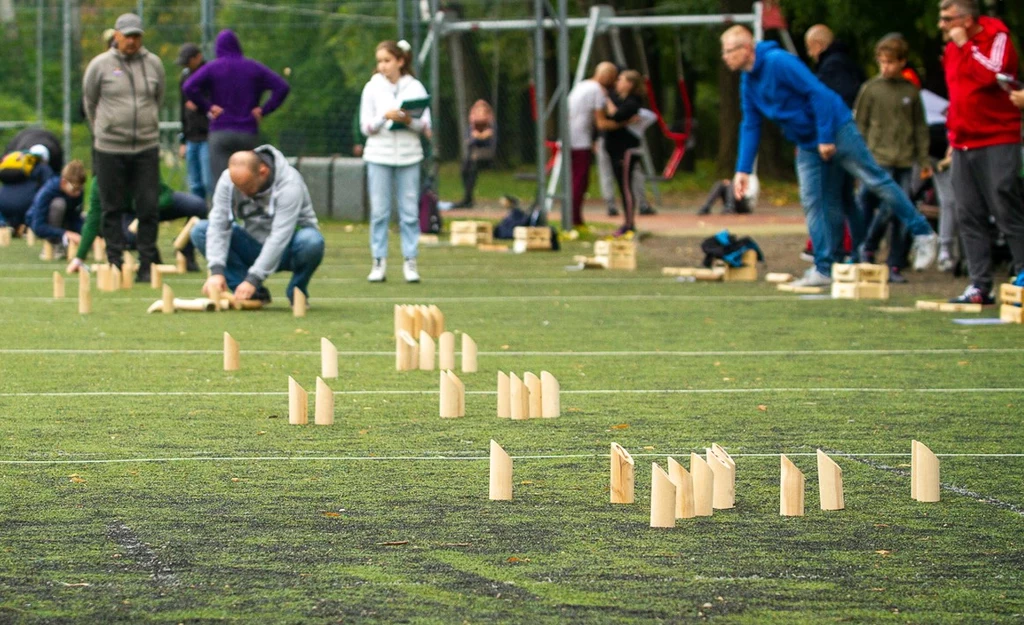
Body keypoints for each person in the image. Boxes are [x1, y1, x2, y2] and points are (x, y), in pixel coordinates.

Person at [720, 25, 938, 288]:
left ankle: (923, 232)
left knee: (875, 180)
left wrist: (825, 136)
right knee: (816, 201)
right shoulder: (748, 81)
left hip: (835, 128)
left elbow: (818, 93)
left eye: (728, 51)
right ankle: (824, 268)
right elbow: (750, 123)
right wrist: (743, 170)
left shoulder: (779, 62)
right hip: (807, 143)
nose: (725, 57)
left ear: (746, 48)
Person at [939, 0, 1024, 304]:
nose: (942, 25)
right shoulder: (950, 49)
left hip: (998, 136)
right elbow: (958, 93)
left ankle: (1022, 274)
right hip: (963, 141)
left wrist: (967, 47)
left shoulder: (997, 38)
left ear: (966, 20)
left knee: (1005, 203)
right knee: (968, 213)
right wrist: (952, 134)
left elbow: (993, 74)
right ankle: (979, 285)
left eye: (947, 19)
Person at [83, 13, 165, 283]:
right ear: (116, 35)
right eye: (127, 35)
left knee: (148, 207)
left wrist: (146, 124)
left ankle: (146, 263)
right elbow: (90, 102)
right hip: (110, 148)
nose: (132, 41)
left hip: (146, 146)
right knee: (111, 207)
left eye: (136, 36)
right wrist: (103, 130)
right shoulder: (100, 65)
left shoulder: (154, 64)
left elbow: (158, 98)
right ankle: (114, 261)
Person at [192, 147, 324, 305]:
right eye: (238, 187)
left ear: (263, 171)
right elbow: (218, 224)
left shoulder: (290, 184)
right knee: (201, 231)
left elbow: (280, 236)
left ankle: (297, 290)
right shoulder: (228, 179)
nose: (242, 192)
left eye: (246, 187)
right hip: (252, 244)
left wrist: (253, 278)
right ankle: (252, 294)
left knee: (312, 241)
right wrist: (216, 270)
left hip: (288, 248)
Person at [854, 34, 932, 284]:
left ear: (902, 62)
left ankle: (894, 262)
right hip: (877, 158)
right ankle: (866, 248)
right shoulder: (871, 89)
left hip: (906, 159)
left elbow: (919, 127)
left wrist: (924, 159)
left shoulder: (911, 91)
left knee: (899, 209)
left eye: (890, 62)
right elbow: (859, 125)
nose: (885, 67)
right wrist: (859, 157)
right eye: (882, 62)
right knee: (885, 204)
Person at [359, 39, 432, 283]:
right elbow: (366, 126)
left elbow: (425, 125)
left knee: (409, 211)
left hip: (409, 156)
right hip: (378, 155)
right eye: (379, 61)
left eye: (387, 60)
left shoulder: (415, 88)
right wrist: (384, 117)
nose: (383, 66)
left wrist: (408, 120)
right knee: (380, 211)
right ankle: (378, 261)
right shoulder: (371, 88)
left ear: (400, 61)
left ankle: (410, 261)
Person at [182, 30, 291, 186]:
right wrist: (264, 110)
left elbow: (189, 87)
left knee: (222, 184)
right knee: (248, 181)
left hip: (221, 131)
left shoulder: (213, 68)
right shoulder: (253, 67)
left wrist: (208, 107)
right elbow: (282, 87)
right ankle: (247, 209)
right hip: (247, 132)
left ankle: (224, 210)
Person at [804, 24, 865, 261]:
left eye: (810, 49)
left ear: (818, 45)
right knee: (847, 198)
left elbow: (828, 105)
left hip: (837, 140)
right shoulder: (849, 64)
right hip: (849, 137)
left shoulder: (832, 68)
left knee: (833, 198)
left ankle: (839, 251)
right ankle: (859, 248)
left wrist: (825, 137)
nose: (810, 54)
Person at [66, 175, 208, 274]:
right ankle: (152, 257)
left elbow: (165, 194)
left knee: (198, 206)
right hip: (130, 214)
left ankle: (186, 253)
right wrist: (79, 257)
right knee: (130, 235)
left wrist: (149, 209)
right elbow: (93, 219)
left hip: (155, 206)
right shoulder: (100, 182)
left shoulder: (143, 166)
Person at [566, 62, 618, 228]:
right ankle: (574, 218)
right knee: (580, 180)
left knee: (574, 178)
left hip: (569, 136)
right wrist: (625, 122)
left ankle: (573, 217)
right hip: (580, 139)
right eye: (613, 77)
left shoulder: (582, 85)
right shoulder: (596, 90)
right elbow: (601, 122)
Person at [597, 69, 645, 236]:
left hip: (626, 150)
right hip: (614, 148)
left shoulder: (633, 102)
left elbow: (616, 115)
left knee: (626, 186)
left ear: (630, 84)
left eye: (621, 80)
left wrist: (607, 99)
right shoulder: (619, 99)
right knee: (621, 184)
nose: (617, 82)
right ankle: (627, 221)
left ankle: (630, 223)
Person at [26, 160, 86, 259]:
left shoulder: (77, 193)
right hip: (41, 224)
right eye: (75, 189)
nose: (78, 193)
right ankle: (53, 244)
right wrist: (64, 234)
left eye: (80, 189)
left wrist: (84, 235)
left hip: (63, 223)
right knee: (59, 204)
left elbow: (75, 217)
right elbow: (38, 226)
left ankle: (64, 242)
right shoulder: (47, 192)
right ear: (63, 182)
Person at [176, 42, 211, 200]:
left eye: (188, 61)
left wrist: (201, 105)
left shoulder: (211, 75)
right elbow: (183, 110)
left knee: (208, 182)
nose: (186, 65)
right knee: (195, 183)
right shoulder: (185, 77)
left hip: (208, 136)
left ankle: (214, 216)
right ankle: (197, 215)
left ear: (198, 57)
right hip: (191, 137)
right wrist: (183, 139)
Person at [452, 99, 496, 209]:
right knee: (465, 168)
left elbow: (490, 140)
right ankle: (467, 197)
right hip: (474, 154)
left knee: (472, 165)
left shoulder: (491, 124)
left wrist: (479, 137)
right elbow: (470, 141)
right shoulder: (472, 125)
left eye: (482, 111)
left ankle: (467, 199)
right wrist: (480, 136)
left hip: (486, 154)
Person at [0, 144, 54, 231]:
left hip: (3, 201)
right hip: (26, 204)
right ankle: (29, 226)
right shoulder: (43, 168)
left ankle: (4, 224)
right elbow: (51, 185)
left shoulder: (18, 166)